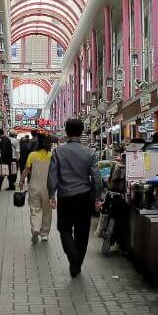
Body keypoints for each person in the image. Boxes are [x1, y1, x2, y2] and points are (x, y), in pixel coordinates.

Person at [47, 118, 100, 278]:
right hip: (84, 197)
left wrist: (51, 194)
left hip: (65, 196)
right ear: (82, 131)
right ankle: (76, 263)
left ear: (66, 131)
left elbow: (52, 175)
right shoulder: (90, 152)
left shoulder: (58, 152)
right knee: (82, 232)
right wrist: (98, 196)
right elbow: (96, 177)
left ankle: (72, 256)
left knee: (64, 228)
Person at [21, 134, 53, 243]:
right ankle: (44, 234)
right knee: (47, 210)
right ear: (50, 144)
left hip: (34, 185)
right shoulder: (52, 155)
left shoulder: (32, 155)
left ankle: (35, 228)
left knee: (35, 209)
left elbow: (26, 169)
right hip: (48, 187)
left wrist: (21, 181)